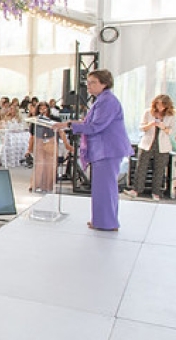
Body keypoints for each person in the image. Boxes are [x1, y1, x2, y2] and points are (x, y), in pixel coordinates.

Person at [55, 69, 128, 231]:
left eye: (93, 82)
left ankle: (106, 222)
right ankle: (103, 220)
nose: (88, 86)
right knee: (103, 186)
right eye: (87, 82)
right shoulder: (101, 100)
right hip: (104, 149)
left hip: (107, 149)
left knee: (105, 187)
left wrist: (68, 125)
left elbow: (96, 126)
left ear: (104, 83)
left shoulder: (107, 101)